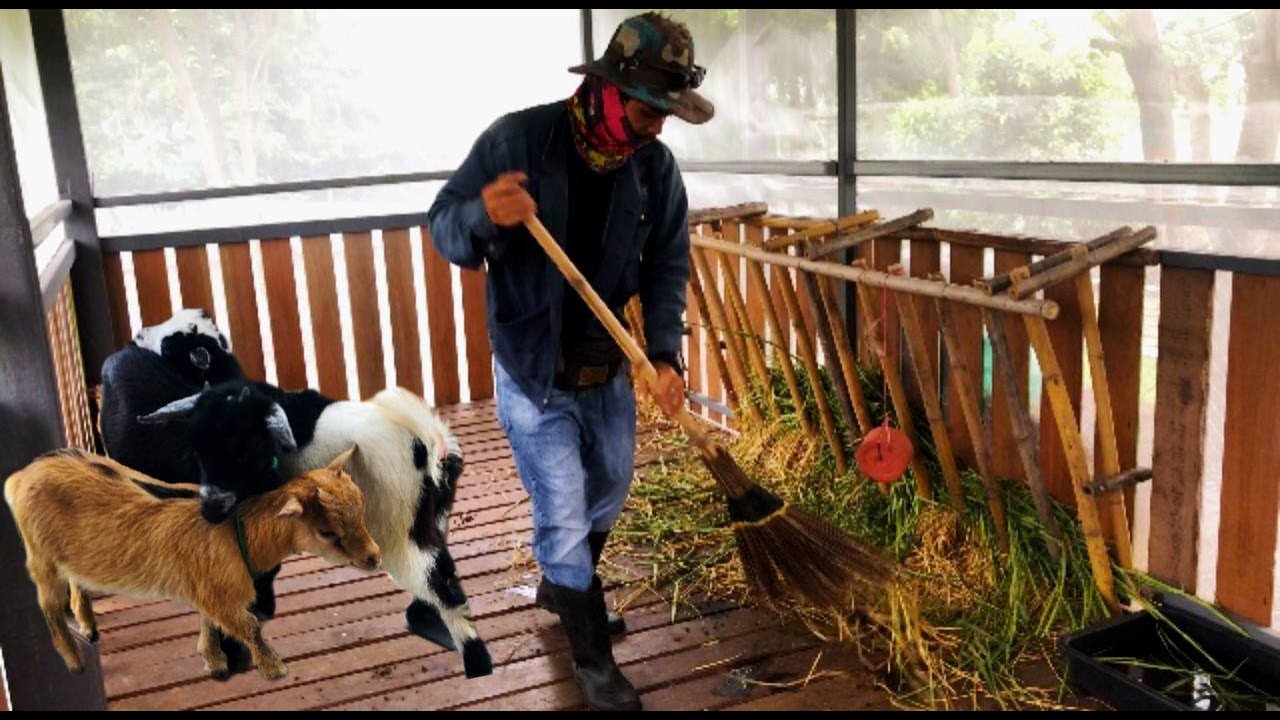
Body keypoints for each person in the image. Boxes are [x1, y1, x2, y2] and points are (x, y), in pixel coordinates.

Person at [427, 11, 712, 711]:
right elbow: (441, 223)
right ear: (609, 90)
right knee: (562, 511)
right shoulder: (519, 139)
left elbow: (668, 263)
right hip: (534, 369)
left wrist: (665, 354)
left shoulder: (653, 168)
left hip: (605, 367)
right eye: (650, 109)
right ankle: (593, 661)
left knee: (610, 487)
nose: (658, 125)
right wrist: (482, 216)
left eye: (668, 113)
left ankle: (564, 584)